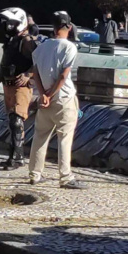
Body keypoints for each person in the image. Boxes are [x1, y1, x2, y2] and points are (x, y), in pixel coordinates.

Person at [28, 11, 86, 189]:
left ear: (53, 27)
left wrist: (43, 94)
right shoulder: (69, 48)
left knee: (40, 136)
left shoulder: (41, 48)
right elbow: (63, 76)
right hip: (63, 98)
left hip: (44, 98)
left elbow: (35, 72)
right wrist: (51, 94)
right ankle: (65, 176)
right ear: (68, 27)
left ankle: (34, 174)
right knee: (64, 137)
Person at [0, 8, 39, 170]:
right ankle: (12, 155)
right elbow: (4, 64)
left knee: (17, 121)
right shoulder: (12, 41)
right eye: (7, 23)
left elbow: (39, 61)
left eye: (12, 23)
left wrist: (28, 74)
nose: (9, 26)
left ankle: (18, 157)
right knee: (12, 121)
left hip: (21, 87)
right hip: (8, 84)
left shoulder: (26, 41)